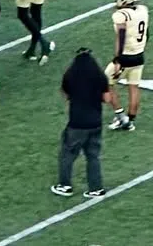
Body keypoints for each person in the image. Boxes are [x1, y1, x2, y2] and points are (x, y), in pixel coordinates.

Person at [52, 48, 108, 198]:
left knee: (67, 155)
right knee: (93, 156)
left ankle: (65, 185)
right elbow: (107, 98)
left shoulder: (71, 75)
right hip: (96, 122)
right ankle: (96, 188)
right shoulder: (99, 76)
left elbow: (65, 93)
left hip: (77, 122)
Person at [106, 0, 149, 131]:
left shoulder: (120, 15)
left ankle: (121, 116)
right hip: (139, 54)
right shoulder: (143, 10)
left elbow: (121, 36)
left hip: (126, 57)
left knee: (105, 82)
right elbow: (147, 33)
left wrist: (118, 59)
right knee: (134, 87)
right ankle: (131, 120)